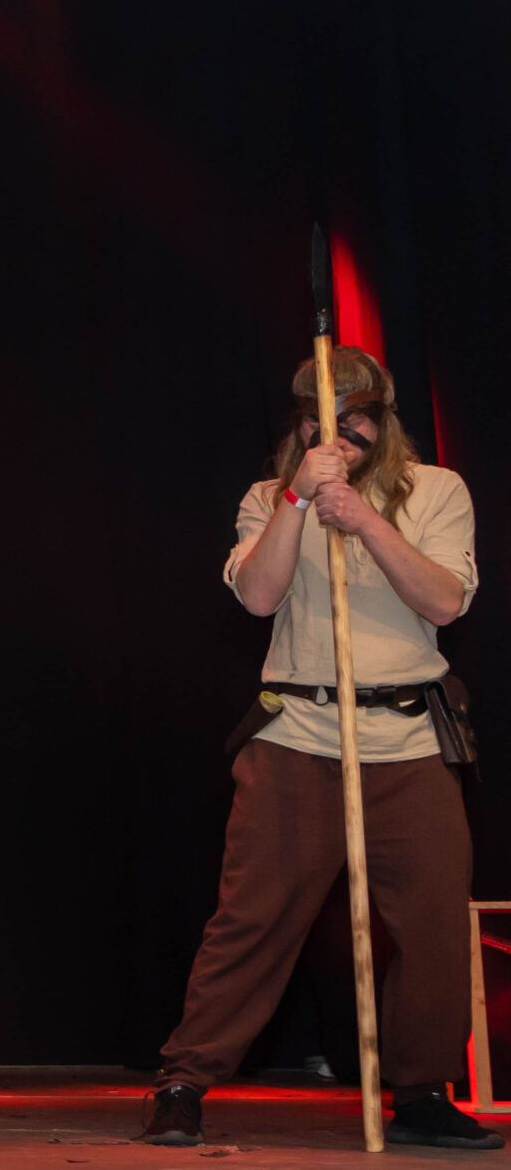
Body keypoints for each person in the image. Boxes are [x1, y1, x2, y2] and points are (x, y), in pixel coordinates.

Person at [142, 347, 493, 1150]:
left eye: (355, 418)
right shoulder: (269, 497)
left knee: (434, 923)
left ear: (384, 420)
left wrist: (364, 520)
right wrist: (299, 500)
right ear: (301, 427)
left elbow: (445, 601)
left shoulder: (436, 490)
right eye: (320, 421)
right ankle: (184, 1080)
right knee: (253, 918)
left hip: (407, 740)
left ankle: (422, 1090)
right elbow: (258, 596)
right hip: (299, 737)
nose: (339, 434)